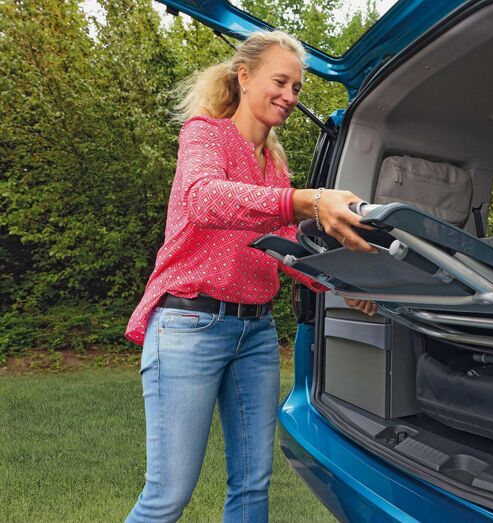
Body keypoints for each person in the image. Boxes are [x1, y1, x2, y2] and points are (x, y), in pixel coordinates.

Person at [124, 30, 376, 522]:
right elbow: (202, 197)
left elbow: (286, 250)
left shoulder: (273, 166)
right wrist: (302, 200)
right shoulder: (205, 134)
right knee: (167, 495)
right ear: (244, 76)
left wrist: (344, 285)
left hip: (256, 333)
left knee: (251, 487)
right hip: (189, 325)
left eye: (297, 88)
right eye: (280, 81)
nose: (289, 95)